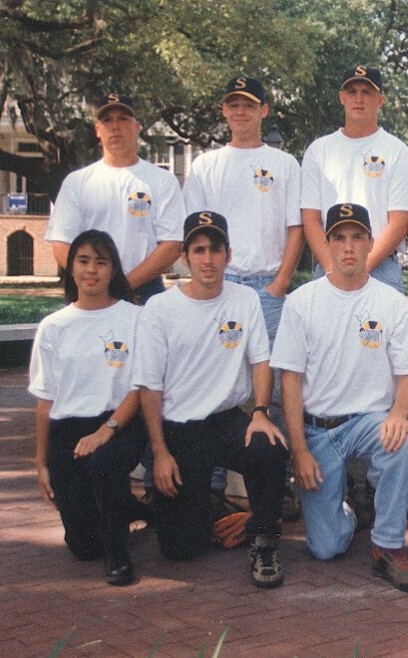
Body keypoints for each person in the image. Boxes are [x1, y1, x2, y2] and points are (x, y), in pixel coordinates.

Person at [271, 203, 408, 593]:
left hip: (368, 423)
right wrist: (299, 451)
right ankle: (348, 510)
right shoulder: (302, 302)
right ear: (327, 244)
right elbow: (290, 383)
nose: (349, 246)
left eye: (358, 236)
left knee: (401, 440)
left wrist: (399, 413)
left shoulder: (391, 303)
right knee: (326, 548)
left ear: (372, 242)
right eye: (339, 237)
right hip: (318, 429)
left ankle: (387, 545)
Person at [132, 211, 289, 588]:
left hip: (226, 420)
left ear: (228, 254)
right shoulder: (160, 309)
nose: (207, 259)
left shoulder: (245, 299)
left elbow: (261, 361)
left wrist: (261, 413)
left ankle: (264, 541)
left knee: (268, 446)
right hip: (178, 431)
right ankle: (210, 509)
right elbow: (148, 387)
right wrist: (159, 452)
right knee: (181, 548)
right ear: (184, 256)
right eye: (198, 250)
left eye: (215, 250)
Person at [183, 75, 304, 521]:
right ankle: (211, 489)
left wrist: (279, 284)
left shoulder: (285, 163)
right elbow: (196, 231)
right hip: (222, 282)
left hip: (268, 282)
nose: (241, 112)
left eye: (249, 105)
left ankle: (277, 486)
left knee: (268, 390)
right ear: (224, 111)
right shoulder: (205, 166)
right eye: (233, 105)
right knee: (213, 383)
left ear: (263, 111)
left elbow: (295, 228)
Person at [30, 230, 146, 586]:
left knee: (105, 462)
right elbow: (45, 399)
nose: (91, 269)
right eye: (83, 260)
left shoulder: (135, 318)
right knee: (82, 546)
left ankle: (118, 551)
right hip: (68, 429)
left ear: (113, 269)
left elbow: (141, 387)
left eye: (100, 260)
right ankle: (131, 509)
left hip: (119, 422)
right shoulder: (54, 327)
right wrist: (41, 461)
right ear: (70, 268)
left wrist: (104, 432)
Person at [46, 94, 185, 303]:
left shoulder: (162, 181)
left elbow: (172, 244)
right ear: (97, 130)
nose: (115, 126)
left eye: (123, 119)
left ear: (137, 127)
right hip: (89, 292)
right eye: (107, 120)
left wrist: (124, 285)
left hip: (144, 292)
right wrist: (96, 282)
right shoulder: (76, 182)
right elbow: (61, 245)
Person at [300, 66, 408, 293]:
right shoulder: (319, 150)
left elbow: (399, 222)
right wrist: (334, 269)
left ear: (380, 100)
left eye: (367, 92)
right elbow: (311, 219)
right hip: (330, 266)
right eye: (352, 92)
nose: (359, 99)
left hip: (381, 267)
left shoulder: (396, 150)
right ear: (342, 97)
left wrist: (361, 269)